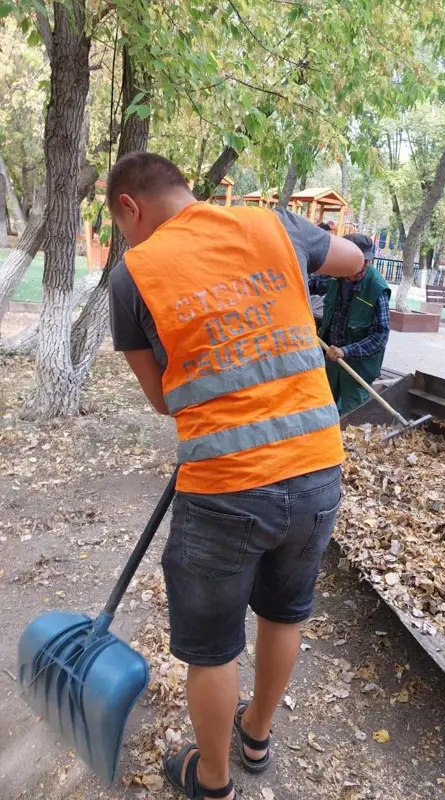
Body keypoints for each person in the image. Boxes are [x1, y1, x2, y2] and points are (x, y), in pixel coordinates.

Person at [107, 152, 363, 800]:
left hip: (223, 488)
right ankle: (256, 736)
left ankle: (213, 778)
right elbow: (355, 262)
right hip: (315, 471)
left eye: (120, 225)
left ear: (130, 208)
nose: (125, 238)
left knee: (213, 647)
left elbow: (165, 399)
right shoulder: (273, 226)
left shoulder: (133, 274)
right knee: (285, 611)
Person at [309, 233, 391, 415]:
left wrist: (346, 351)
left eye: (367, 261)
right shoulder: (333, 276)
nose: (363, 267)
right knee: (323, 410)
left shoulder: (377, 288)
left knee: (352, 418)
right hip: (330, 359)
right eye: (358, 260)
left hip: (357, 369)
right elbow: (307, 285)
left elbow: (380, 337)